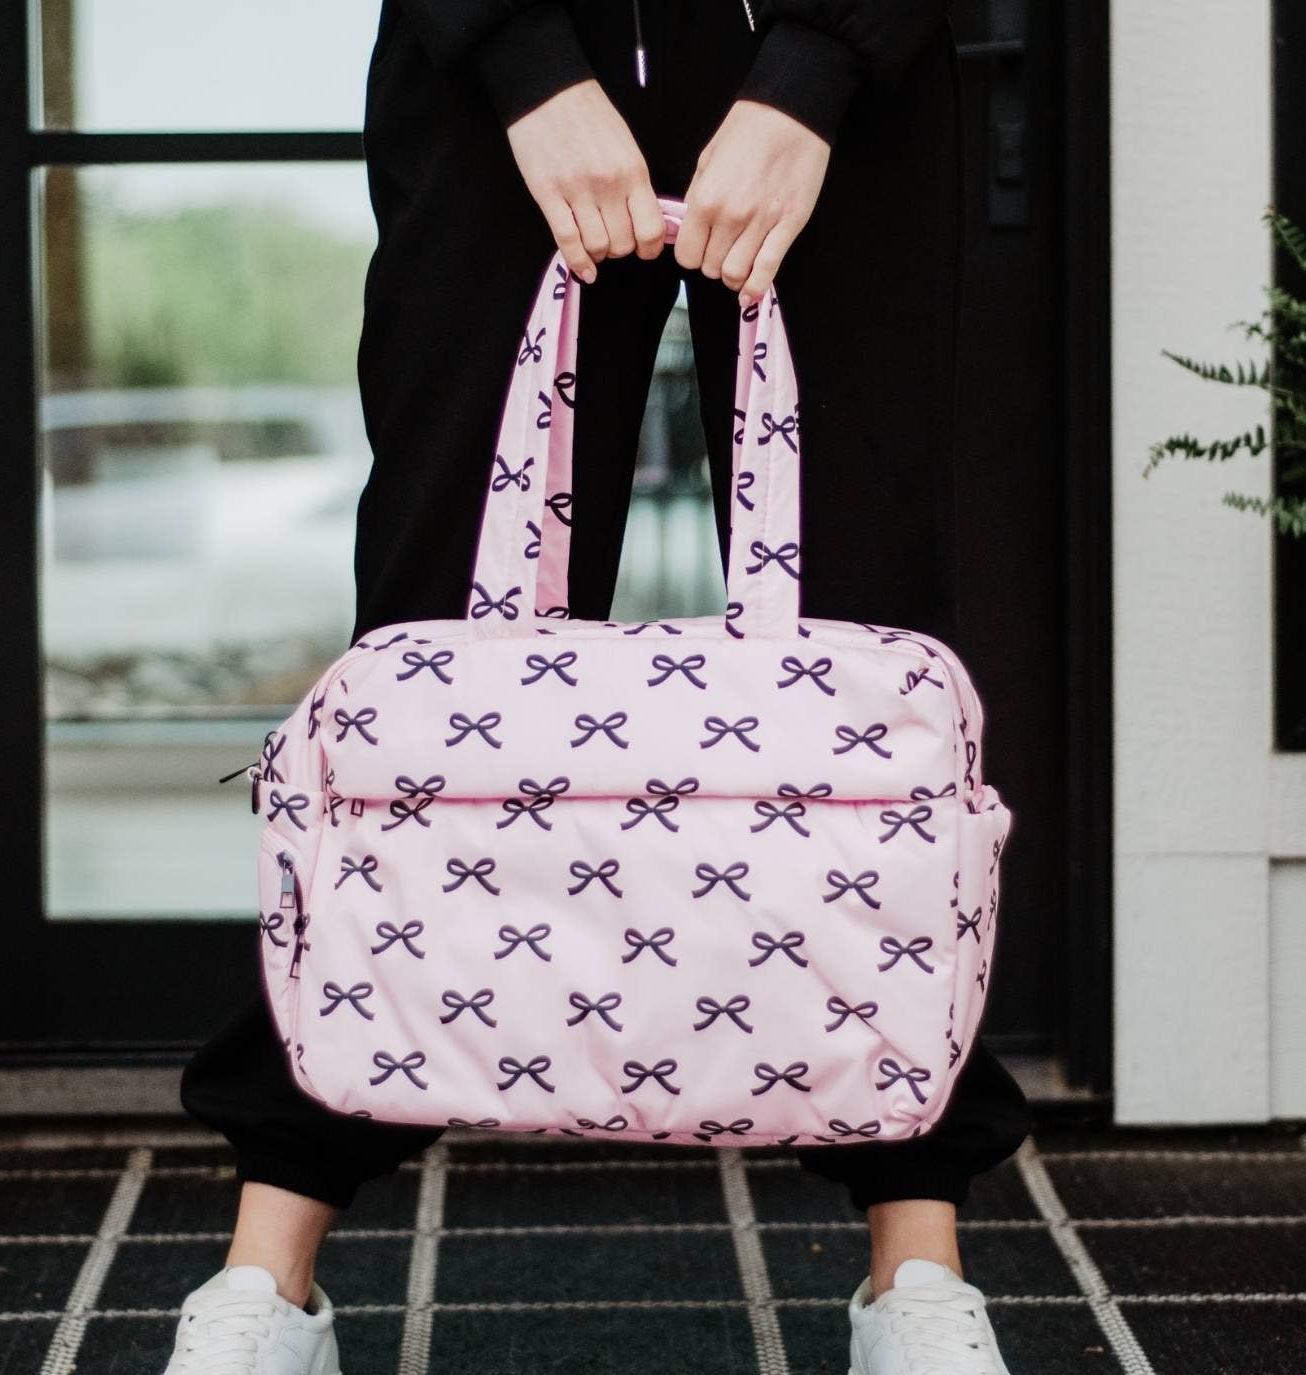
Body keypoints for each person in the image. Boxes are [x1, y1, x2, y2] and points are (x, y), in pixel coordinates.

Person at [164, 3, 1035, 1372]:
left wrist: (815, 70)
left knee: (864, 668)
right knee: (432, 665)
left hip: (839, 70)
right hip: (507, 65)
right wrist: (517, 55)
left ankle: (915, 1271)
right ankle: (267, 1281)